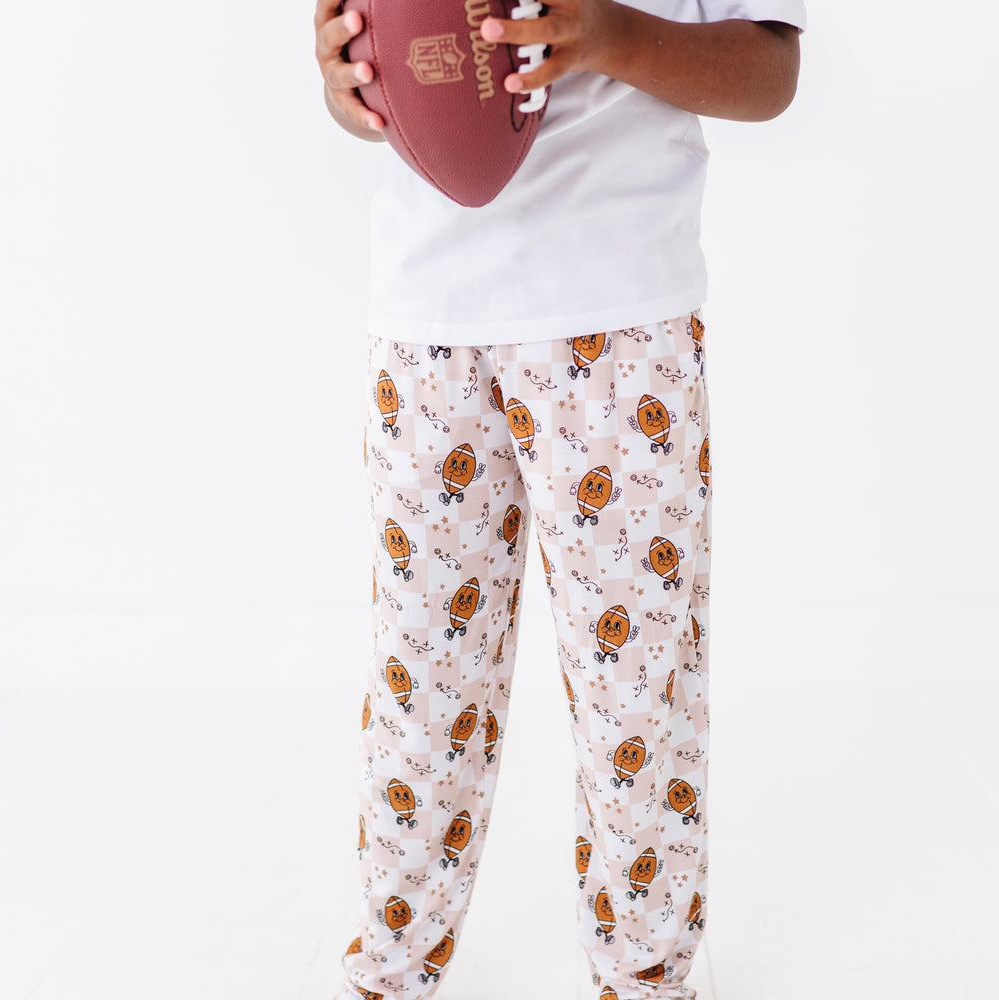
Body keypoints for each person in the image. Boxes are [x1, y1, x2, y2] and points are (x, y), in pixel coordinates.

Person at [313, 2, 804, 999]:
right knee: (423, 680)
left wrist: (610, 35)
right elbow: (383, 66)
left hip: (619, 323)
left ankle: (645, 974)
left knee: (640, 693)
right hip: (427, 326)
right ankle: (394, 966)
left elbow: (768, 74)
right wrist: (342, 82)